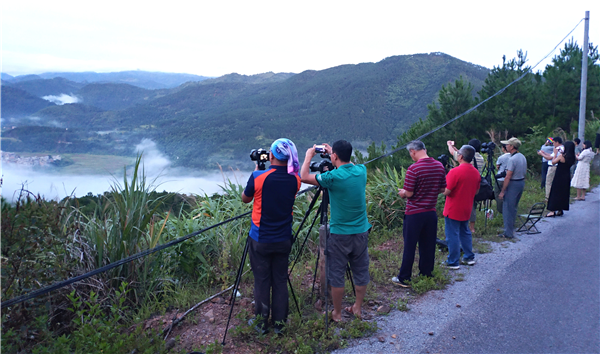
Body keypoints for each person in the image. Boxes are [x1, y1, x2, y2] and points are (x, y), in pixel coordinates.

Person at [300, 140, 371, 322]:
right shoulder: (361, 171)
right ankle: (357, 308)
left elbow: (304, 176)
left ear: (335, 157)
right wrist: (335, 154)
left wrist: (309, 155)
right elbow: (350, 165)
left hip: (340, 234)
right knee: (361, 271)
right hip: (362, 231)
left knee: (337, 274)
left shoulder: (332, 178)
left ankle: (337, 314)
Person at [242, 138, 301, 334]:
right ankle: (280, 325)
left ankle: (260, 323)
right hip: (283, 238)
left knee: (262, 280)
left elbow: (245, 199)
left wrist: (259, 168)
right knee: (280, 280)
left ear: (272, 156)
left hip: (261, 239)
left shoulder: (258, 177)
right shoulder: (296, 179)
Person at [393, 141, 446, 284]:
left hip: (414, 213)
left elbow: (409, 193)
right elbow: (442, 189)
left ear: (412, 152)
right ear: (425, 149)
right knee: (428, 245)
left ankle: (404, 277)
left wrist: (403, 193)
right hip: (431, 212)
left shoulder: (413, 169)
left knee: (410, 246)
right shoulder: (439, 166)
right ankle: (426, 273)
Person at [442, 145, 481, 269]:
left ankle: (453, 261)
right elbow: (476, 191)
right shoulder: (475, 172)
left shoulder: (455, 172)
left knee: (452, 234)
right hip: (467, 207)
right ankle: (469, 257)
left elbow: (446, 191)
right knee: (465, 232)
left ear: (461, 157)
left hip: (453, 208)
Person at [448, 139, 484, 234]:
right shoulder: (480, 157)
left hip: (464, 183)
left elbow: (453, 153)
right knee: (473, 205)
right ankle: (472, 227)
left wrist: (449, 145)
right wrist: (457, 150)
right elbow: (459, 153)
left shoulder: (460, 166)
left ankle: (467, 228)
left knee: (467, 207)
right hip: (475, 183)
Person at [497, 137, 527, 238]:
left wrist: (503, 191)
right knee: (513, 207)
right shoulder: (522, 156)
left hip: (513, 184)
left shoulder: (512, 159)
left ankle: (508, 233)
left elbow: (508, 176)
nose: (506, 146)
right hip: (521, 182)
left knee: (507, 209)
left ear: (512, 146)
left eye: (508, 145)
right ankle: (511, 228)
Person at [545, 141, 576, 217]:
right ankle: (560, 209)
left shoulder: (561, 156)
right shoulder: (572, 157)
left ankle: (552, 210)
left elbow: (553, 162)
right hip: (566, 176)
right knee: (563, 192)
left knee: (555, 192)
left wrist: (555, 153)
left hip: (559, 175)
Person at [495, 144, 511, 214]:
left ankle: (500, 210)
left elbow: (497, 167)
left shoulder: (501, 157)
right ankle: (507, 209)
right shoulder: (512, 156)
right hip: (509, 179)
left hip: (500, 178)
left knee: (497, 194)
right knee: (507, 195)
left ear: (503, 148)